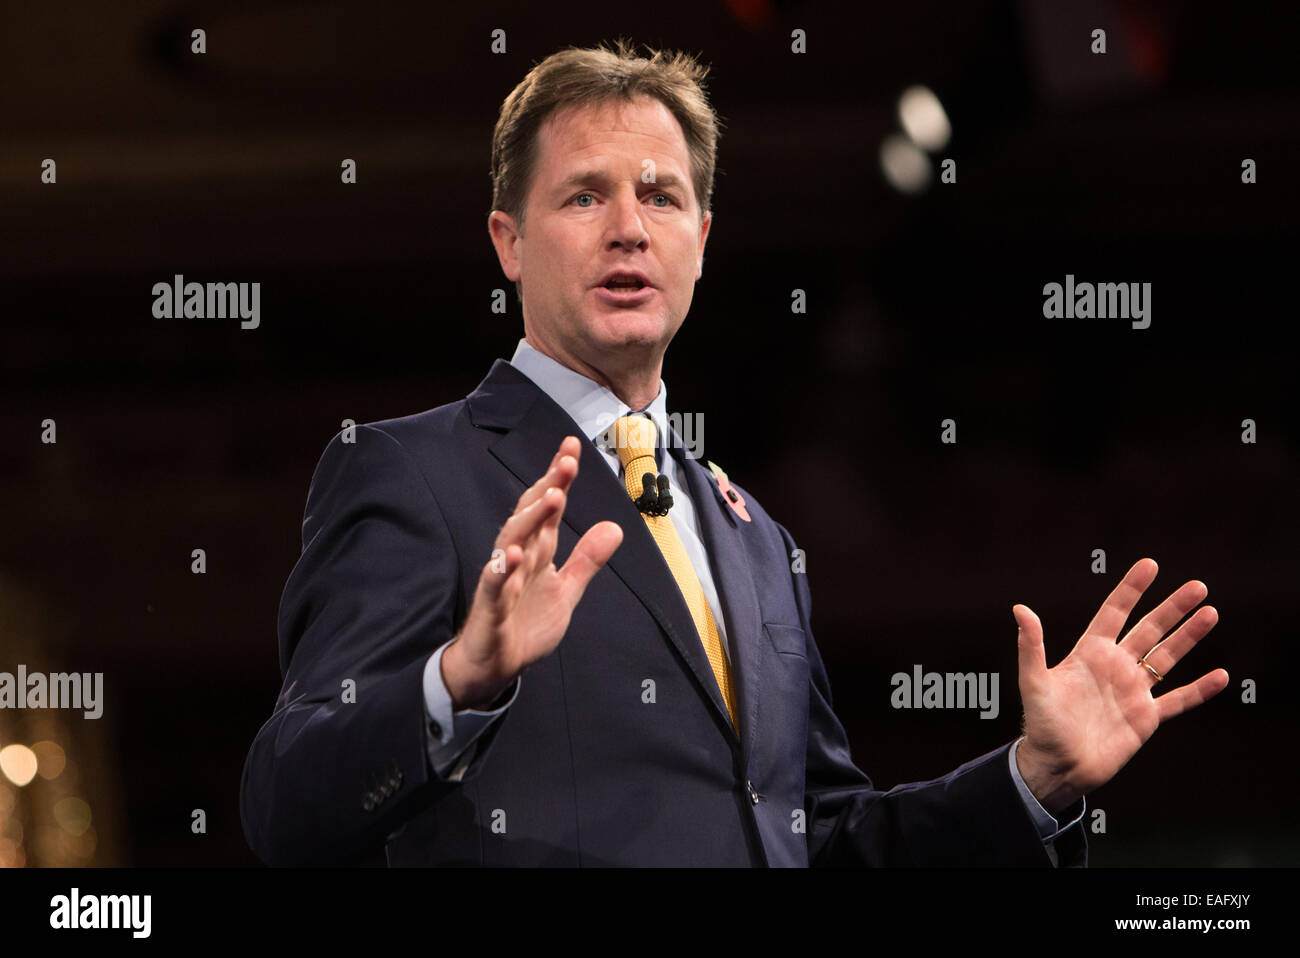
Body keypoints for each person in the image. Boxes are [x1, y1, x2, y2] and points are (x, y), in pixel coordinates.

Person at [239, 40, 1227, 867]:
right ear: (507, 241)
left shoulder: (757, 541)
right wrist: (456, 682)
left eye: (661, 198)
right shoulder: (413, 471)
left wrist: (1031, 779)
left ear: (701, 241)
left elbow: (826, 840)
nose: (629, 227)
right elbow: (288, 799)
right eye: (584, 196)